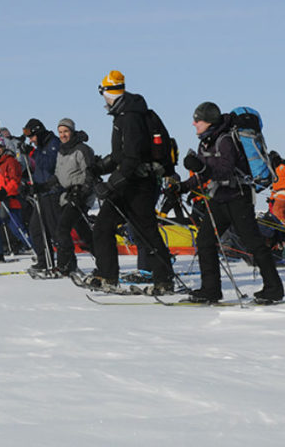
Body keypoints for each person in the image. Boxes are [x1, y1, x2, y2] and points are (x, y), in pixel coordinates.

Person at [175, 103, 284, 304]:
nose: (194, 123)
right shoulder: (205, 142)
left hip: (238, 198)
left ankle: (274, 289)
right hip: (219, 199)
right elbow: (203, 175)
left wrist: (201, 167)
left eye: (197, 120)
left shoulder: (225, 140)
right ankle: (211, 290)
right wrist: (181, 187)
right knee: (205, 241)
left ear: (208, 121)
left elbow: (224, 171)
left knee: (253, 244)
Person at [84, 70, 174, 294]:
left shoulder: (130, 117)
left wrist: (110, 184)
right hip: (127, 183)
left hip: (139, 185)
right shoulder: (123, 114)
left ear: (107, 93)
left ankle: (164, 280)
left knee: (147, 232)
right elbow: (118, 156)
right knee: (103, 227)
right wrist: (99, 167)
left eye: (102, 92)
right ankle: (107, 275)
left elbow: (132, 159)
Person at [52, 118, 95, 275]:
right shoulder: (61, 151)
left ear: (72, 131)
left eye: (66, 131)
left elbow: (91, 173)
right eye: (60, 132)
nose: (63, 135)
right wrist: (42, 186)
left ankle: (66, 265)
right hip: (68, 195)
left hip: (81, 196)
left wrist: (82, 192)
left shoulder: (82, 149)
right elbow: (58, 175)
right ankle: (104, 261)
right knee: (84, 232)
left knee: (62, 229)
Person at [0, 136, 31, 263]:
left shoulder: (10, 162)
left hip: (10, 201)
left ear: (4, 147)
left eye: (0, 147)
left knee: (17, 229)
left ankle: (39, 250)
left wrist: (4, 191)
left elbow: (15, 181)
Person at [21, 118, 62, 270]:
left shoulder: (54, 144)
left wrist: (32, 153)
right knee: (35, 229)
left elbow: (50, 165)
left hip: (53, 192)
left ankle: (66, 263)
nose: (31, 140)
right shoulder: (39, 148)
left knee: (55, 230)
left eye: (32, 136)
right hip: (42, 194)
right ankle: (44, 261)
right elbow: (37, 169)